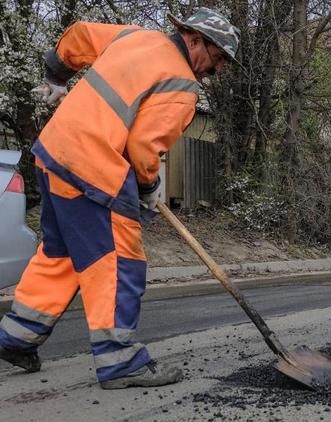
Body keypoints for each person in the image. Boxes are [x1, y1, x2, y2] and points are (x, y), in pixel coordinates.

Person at [0, 8, 240, 389]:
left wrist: (56, 76)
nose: (218, 70)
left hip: (53, 153)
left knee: (60, 255)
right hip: (93, 169)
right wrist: (147, 188)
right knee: (119, 262)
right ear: (196, 40)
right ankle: (120, 362)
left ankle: (16, 338)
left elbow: (78, 35)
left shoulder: (135, 36)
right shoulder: (181, 85)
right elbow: (144, 147)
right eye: (218, 58)